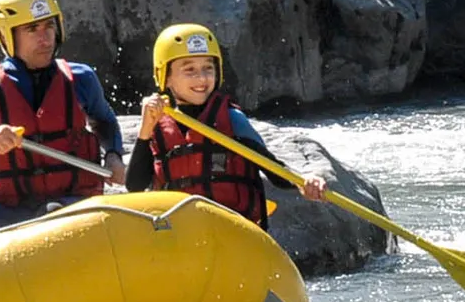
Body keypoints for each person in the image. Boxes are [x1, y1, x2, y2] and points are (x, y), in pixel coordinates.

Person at [0, 0, 127, 227]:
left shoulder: (81, 77)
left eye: (49, 26)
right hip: (9, 211)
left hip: (71, 204)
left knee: (51, 211)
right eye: (32, 29)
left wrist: (113, 155)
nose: (45, 38)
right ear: (6, 35)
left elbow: (104, 121)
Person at [127, 23, 326, 226]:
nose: (202, 78)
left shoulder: (232, 118)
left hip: (231, 229)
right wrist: (145, 130)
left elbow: (274, 170)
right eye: (189, 70)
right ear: (166, 77)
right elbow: (134, 185)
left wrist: (303, 182)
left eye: (208, 68)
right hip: (181, 233)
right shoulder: (157, 124)